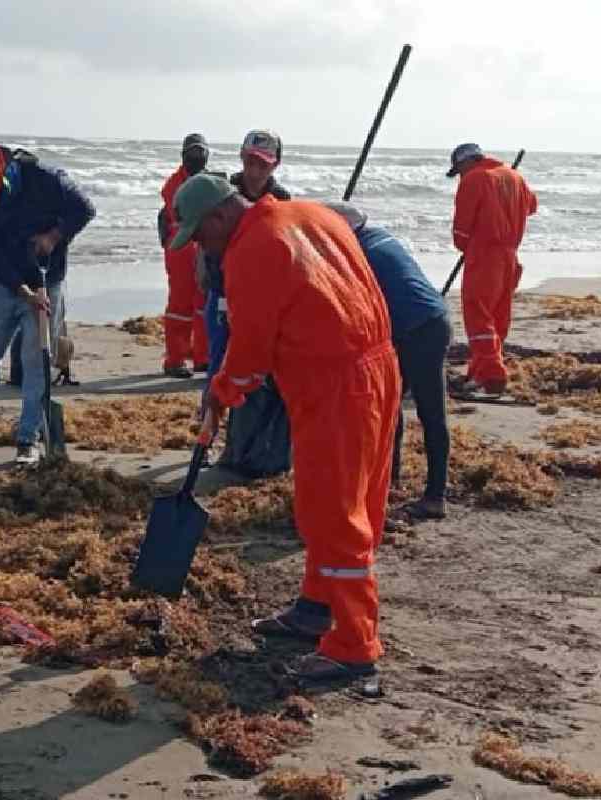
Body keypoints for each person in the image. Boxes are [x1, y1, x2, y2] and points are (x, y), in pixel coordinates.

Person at [171, 174, 400, 686]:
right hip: (378, 364)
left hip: (333, 381)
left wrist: (221, 392)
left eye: (200, 237)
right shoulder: (314, 214)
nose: (203, 249)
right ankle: (316, 608)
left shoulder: (251, 249)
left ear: (219, 217)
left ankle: (353, 645)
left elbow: (252, 348)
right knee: (352, 499)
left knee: (334, 512)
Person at [0, 143, 95, 465]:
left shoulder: (47, 179)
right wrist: (22, 290)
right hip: (5, 283)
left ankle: (29, 438)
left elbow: (85, 209)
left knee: (35, 364)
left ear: (5, 173)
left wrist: (53, 237)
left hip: (48, 280)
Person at [324, 202, 451, 520]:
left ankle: (434, 496)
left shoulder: (361, 254)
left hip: (419, 330)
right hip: (431, 320)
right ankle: (389, 482)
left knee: (428, 412)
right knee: (391, 409)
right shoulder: (382, 238)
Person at [448, 143, 538, 394]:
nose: (460, 176)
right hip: (510, 254)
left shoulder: (474, 179)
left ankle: (491, 375)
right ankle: (480, 371)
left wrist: (465, 243)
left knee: (478, 314)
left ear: (466, 163)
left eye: (459, 170)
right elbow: (531, 206)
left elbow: (462, 229)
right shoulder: (514, 176)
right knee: (498, 315)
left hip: (484, 254)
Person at [201, 129, 292, 376]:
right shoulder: (223, 193)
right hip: (223, 289)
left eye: (263, 164)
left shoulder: (282, 200)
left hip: (265, 295)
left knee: (264, 366)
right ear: (241, 156)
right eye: (250, 161)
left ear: (275, 165)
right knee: (219, 360)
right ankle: (210, 411)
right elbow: (207, 243)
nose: (255, 170)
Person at [158, 133, 212, 378]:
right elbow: (183, 213)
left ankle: (202, 357)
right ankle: (175, 359)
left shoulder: (208, 180)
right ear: (183, 155)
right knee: (180, 304)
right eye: (193, 152)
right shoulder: (173, 184)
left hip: (204, 245)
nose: (197, 157)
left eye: (200, 153)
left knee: (204, 303)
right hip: (181, 247)